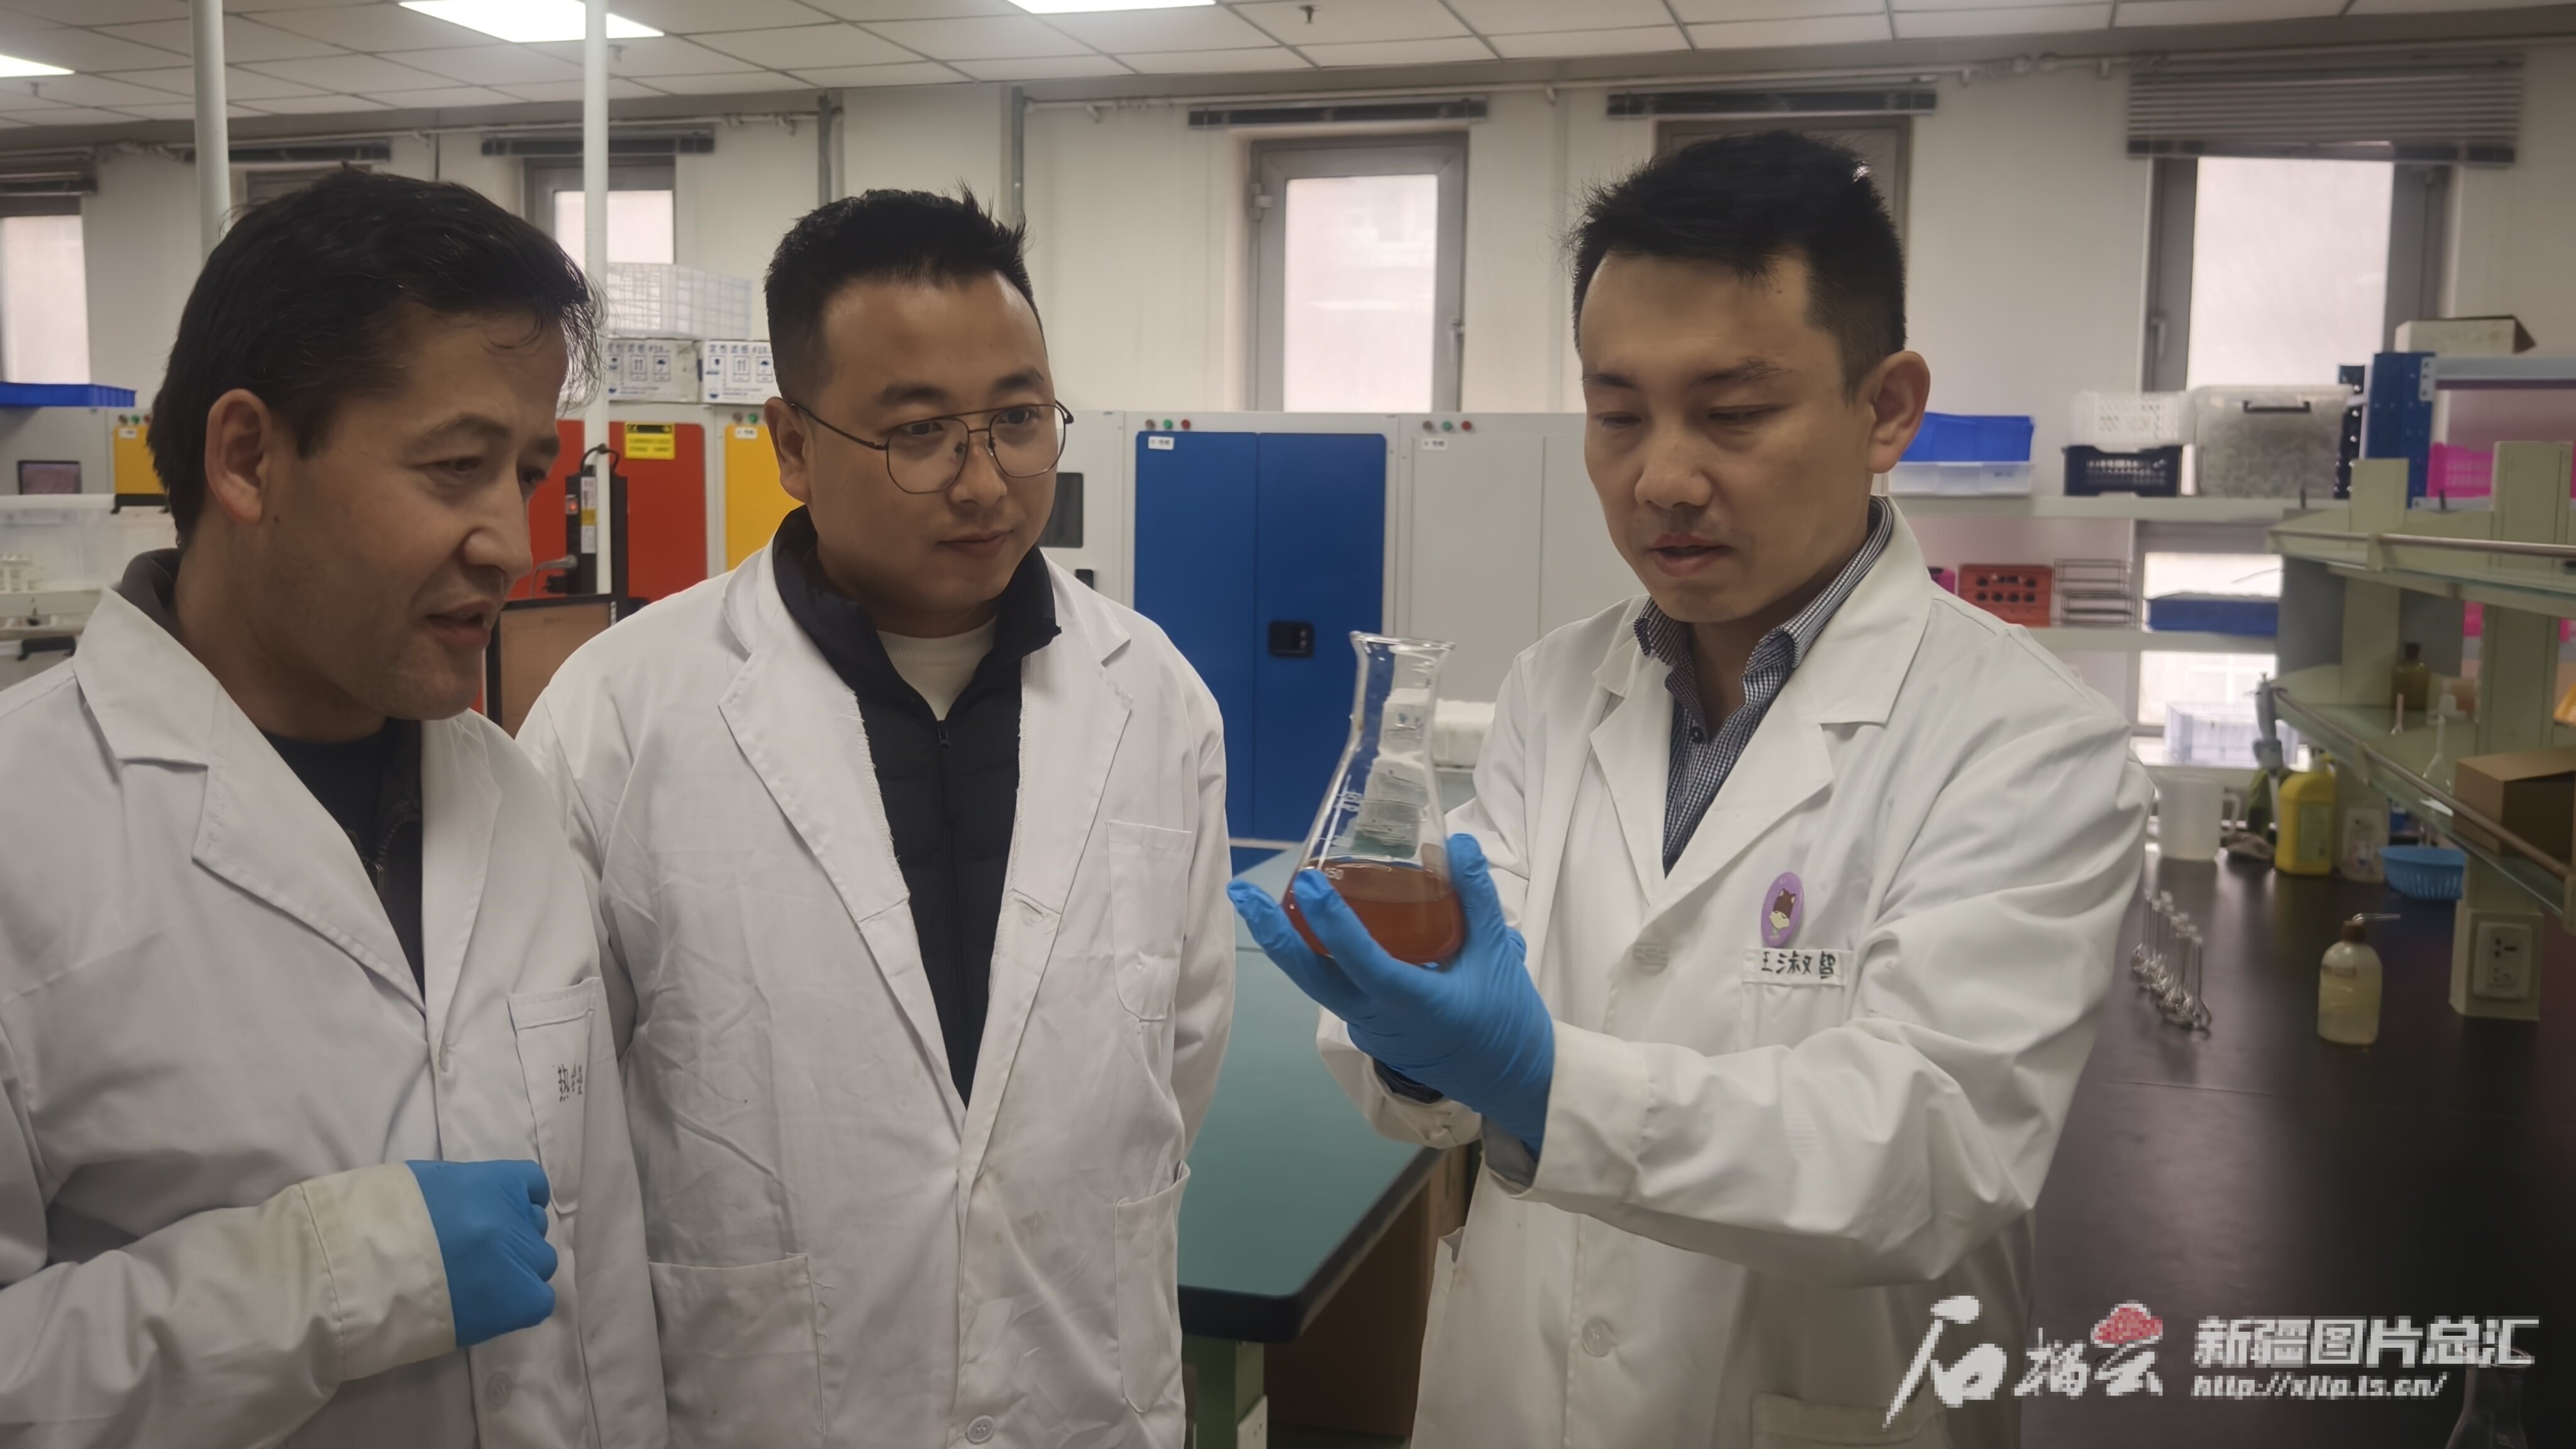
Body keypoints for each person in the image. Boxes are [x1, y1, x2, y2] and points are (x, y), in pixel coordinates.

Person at [1231, 133, 2151, 1447]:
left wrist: (1542, 1083)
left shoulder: (2027, 742)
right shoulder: (1555, 691)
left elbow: (1928, 1155)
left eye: (1732, 412)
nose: (1661, 477)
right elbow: (1445, 1057)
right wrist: (1404, 1033)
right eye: (1617, 416)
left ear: (1886, 409)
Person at [518, 189, 1234, 1448]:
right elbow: (560, 1137)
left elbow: (1182, 1052)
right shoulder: (623, 716)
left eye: (1018, 421)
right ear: (792, 445)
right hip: (765, 1404)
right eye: (920, 434)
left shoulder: (1156, 699)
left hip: (1081, 1392)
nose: (986, 482)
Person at [0, 169, 665, 1445]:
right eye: (455, 467)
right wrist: (343, 1275)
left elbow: (601, 1303)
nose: (512, 543)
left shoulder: (513, 799)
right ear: (248, 459)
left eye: (526, 473)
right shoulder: (28, 833)